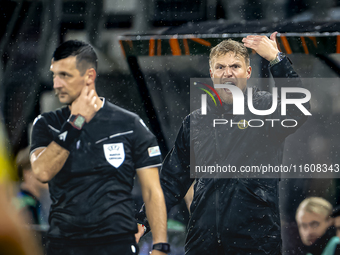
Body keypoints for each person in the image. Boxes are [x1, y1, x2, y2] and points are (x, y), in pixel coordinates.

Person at [136, 32, 310, 254]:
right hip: (203, 241)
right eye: (220, 67)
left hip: (255, 242)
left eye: (235, 66)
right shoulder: (195, 121)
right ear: (212, 74)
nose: (227, 73)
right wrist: (142, 220)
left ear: (248, 72)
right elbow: (171, 180)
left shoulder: (266, 109)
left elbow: (299, 109)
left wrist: (277, 59)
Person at [30, 40, 169, 255]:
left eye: (64, 75)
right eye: (54, 75)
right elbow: (42, 171)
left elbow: (152, 190)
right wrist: (76, 122)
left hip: (116, 242)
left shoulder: (129, 124)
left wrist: (160, 245)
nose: (56, 84)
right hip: (64, 243)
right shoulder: (46, 124)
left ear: (89, 76)